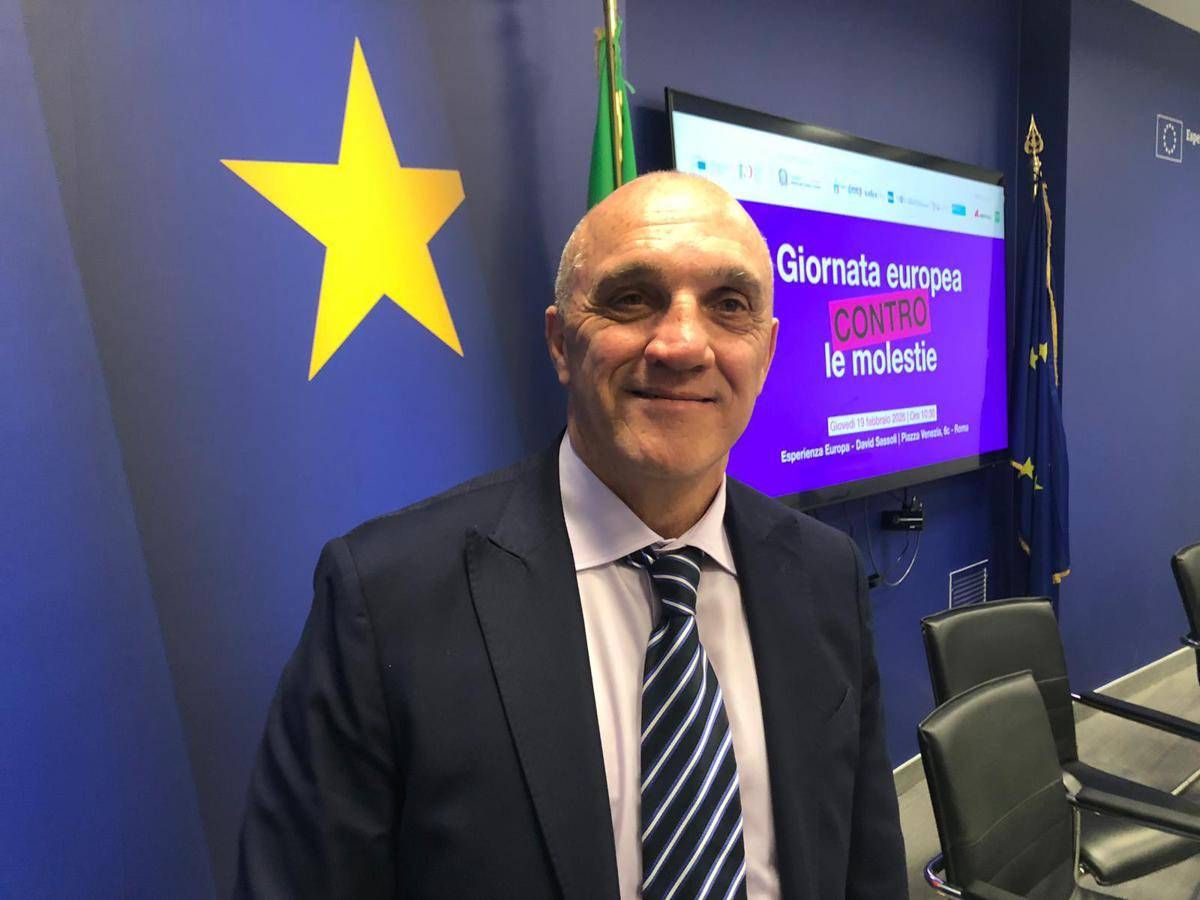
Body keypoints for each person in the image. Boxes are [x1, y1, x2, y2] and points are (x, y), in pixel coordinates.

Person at [234, 172, 907, 899]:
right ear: (560, 342)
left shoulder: (826, 576)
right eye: (633, 298)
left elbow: (865, 873)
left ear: (766, 352)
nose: (683, 343)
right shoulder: (386, 601)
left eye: (728, 305)